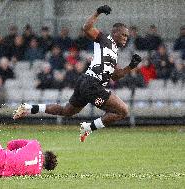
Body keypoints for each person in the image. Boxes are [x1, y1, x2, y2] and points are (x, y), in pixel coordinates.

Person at [13, 5, 142, 142]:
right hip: (93, 84)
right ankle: (88, 127)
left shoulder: (114, 51)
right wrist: (97, 12)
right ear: (115, 33)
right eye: (123, 35)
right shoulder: (105, 40)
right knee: (123, 111)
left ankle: (29, 108)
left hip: (86, 82)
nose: (126, 38)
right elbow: (86, 28)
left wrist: (131, 66)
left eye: (127, 36)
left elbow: (115, 76)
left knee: (66, 111)